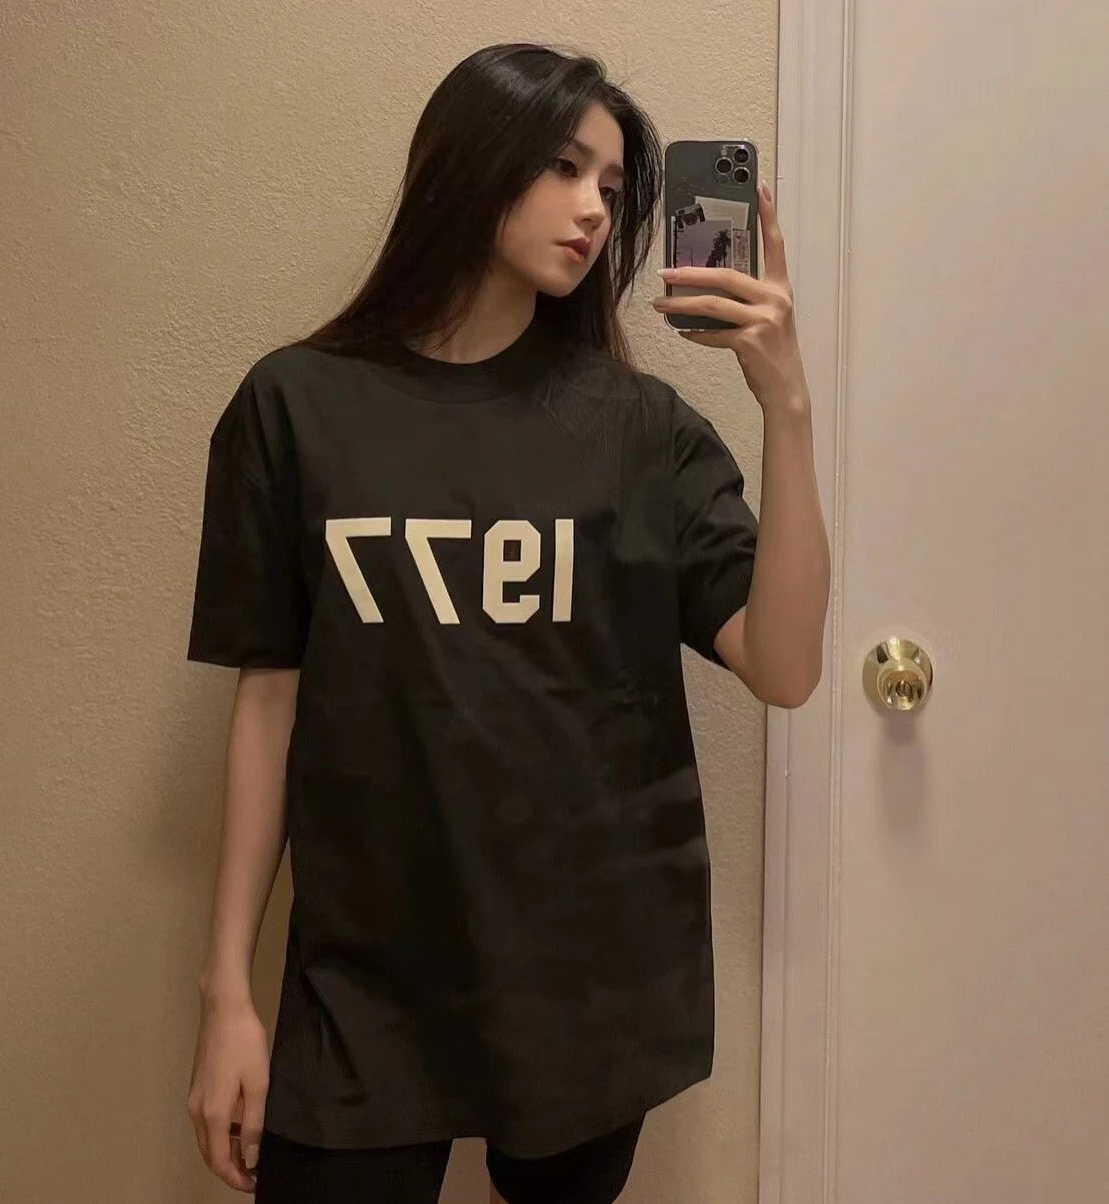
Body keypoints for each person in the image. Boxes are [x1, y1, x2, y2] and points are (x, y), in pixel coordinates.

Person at [183, 41, 829, 1204]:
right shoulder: (296, 405)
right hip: (364, 984)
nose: (593, 210)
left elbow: (783, 667)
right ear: (470, 161)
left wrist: (785, 401)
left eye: (613, 187)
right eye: (562, 167)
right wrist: (227, 993)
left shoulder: (642, 432)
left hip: (587, 982)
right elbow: (269, 699)